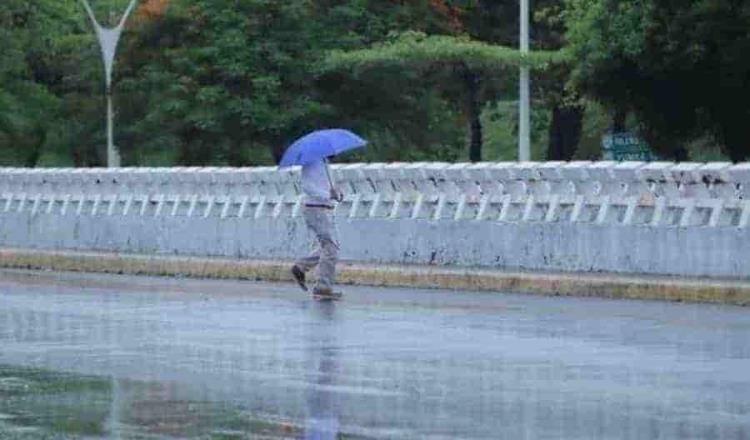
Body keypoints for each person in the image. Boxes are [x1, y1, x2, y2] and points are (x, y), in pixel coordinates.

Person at [291, 157, 344, 299]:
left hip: (324, 209)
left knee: (328, 246)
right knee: (331, 247)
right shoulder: (311, 163)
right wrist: (327, 195)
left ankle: (300, 267)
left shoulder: (325, 163)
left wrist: (337, 194)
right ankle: (323, 287)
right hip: (316, 209)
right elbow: (307, 187)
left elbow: (328, 188)